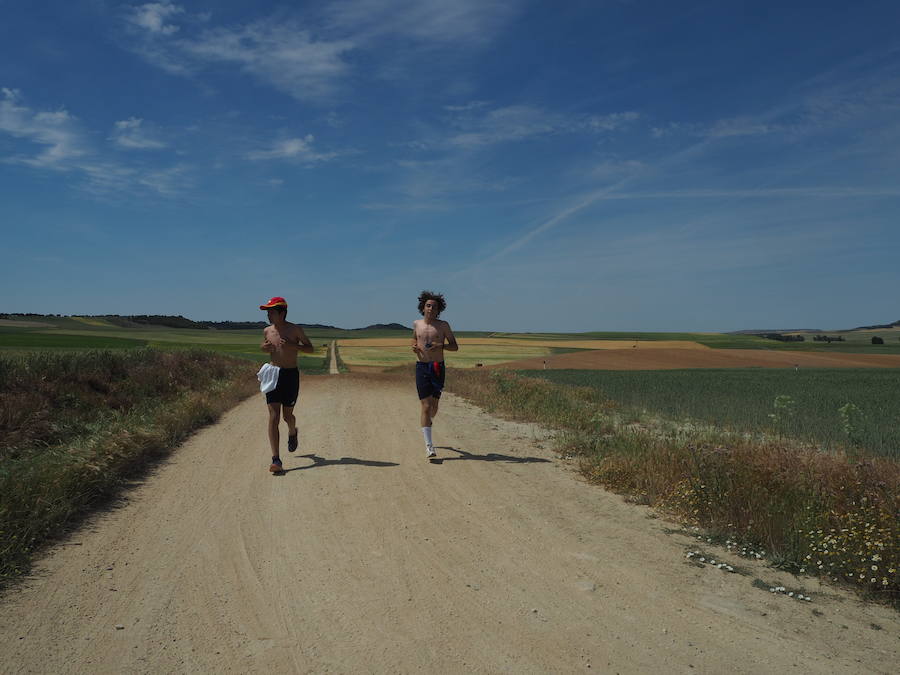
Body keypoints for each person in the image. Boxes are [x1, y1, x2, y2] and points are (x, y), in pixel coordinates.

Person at [259, 296, 314, 473]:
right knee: (273, 416)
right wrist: (264, 348)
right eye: (267, 312)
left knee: (287, 416)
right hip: (273, 374)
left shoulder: (295, 329)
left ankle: (292, 432)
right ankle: (276, 459)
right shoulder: (267, 330)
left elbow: (310, 348)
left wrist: (293, 345)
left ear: (282, 313)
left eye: (272, 312)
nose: (268, 315)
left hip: (290, 375)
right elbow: (264, 346)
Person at [411, 290, 458, 458]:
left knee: (434, 407)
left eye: (434, 306)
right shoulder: (417, 324)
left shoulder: (443, 325)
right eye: (428, 305)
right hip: (422, 367)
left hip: (438, 367)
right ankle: (429, 446)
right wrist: (414, 347)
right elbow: (413, 339)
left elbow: (455, 346)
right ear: (423, 308)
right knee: (425, 406)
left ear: (439, 310)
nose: (431, 308)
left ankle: (428, 423)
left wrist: (441, 346)